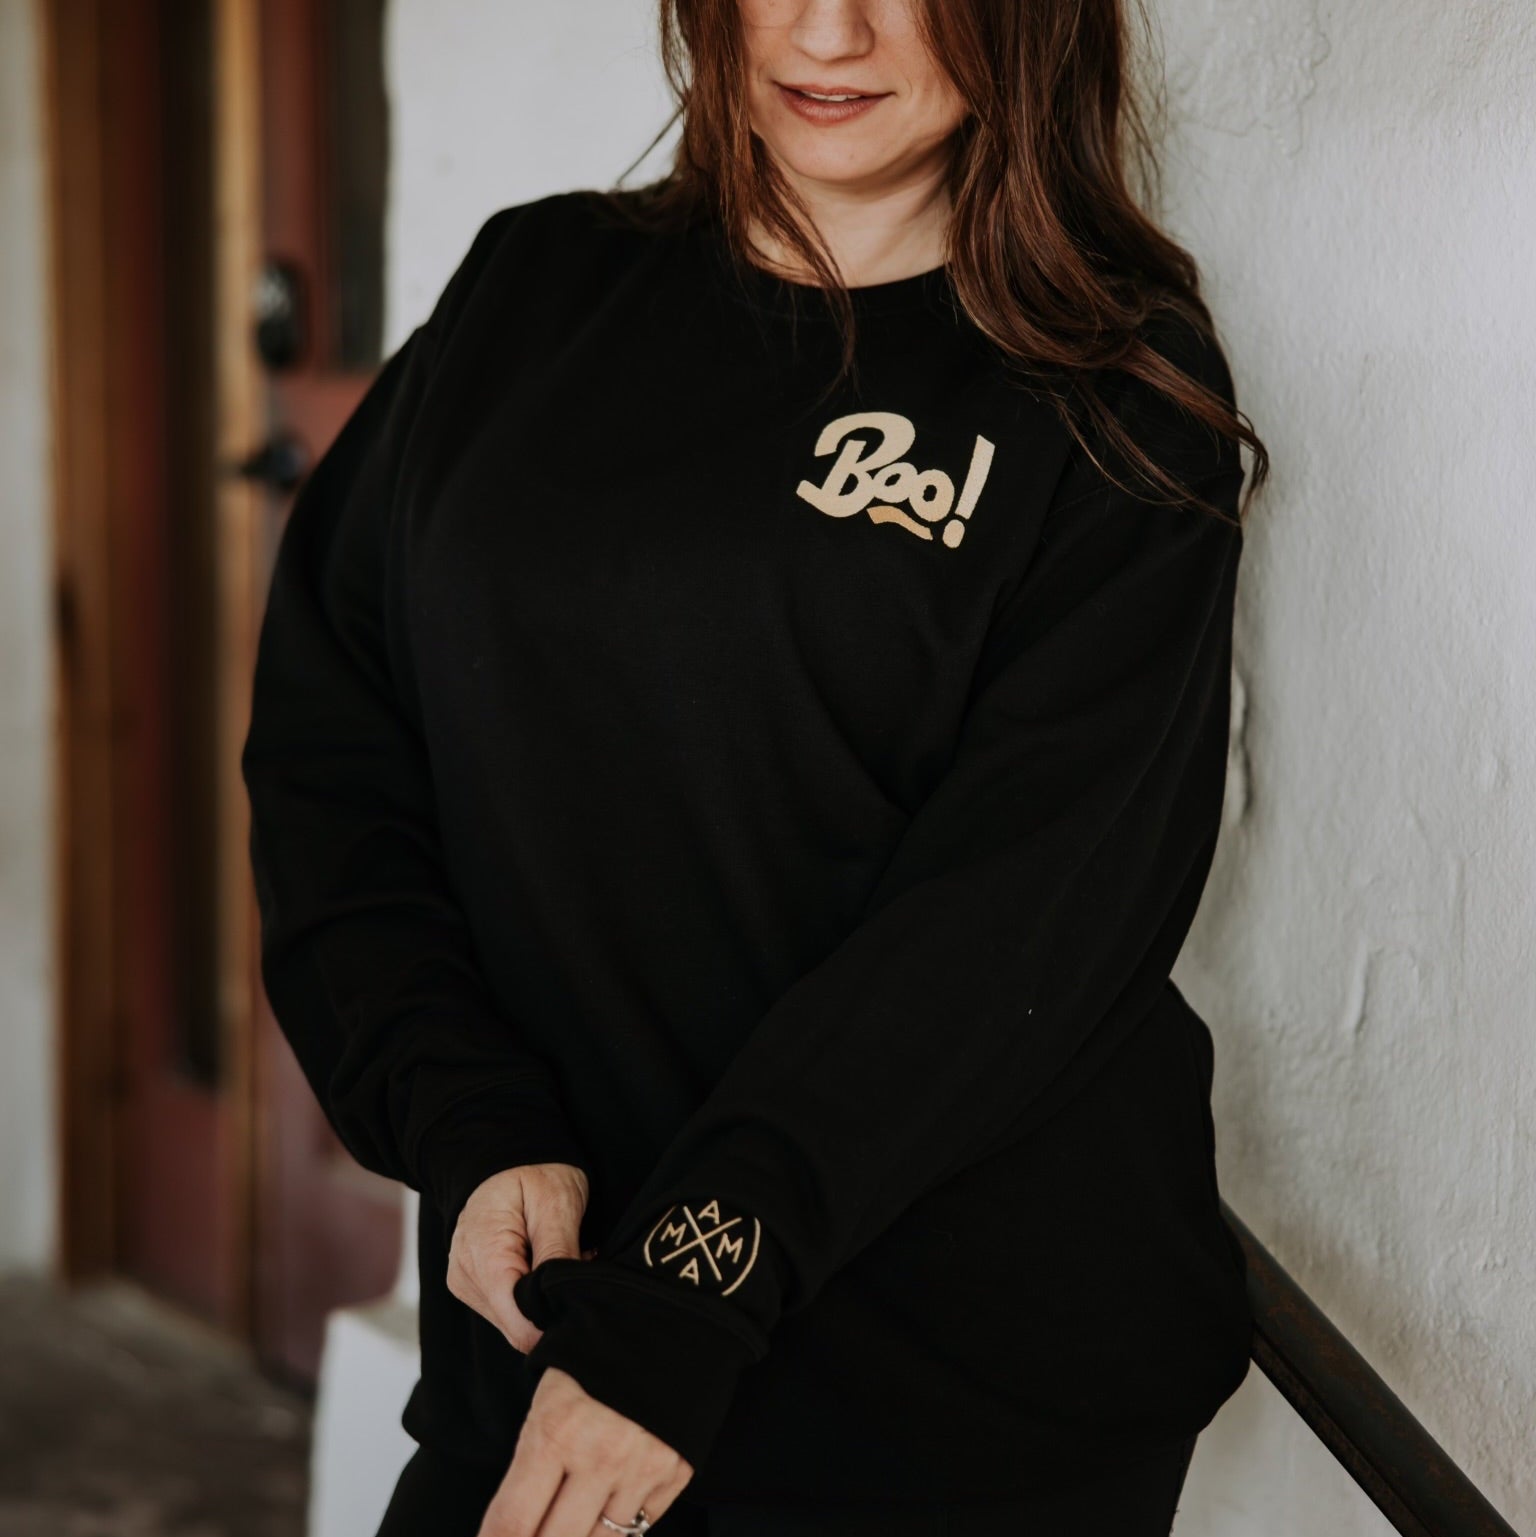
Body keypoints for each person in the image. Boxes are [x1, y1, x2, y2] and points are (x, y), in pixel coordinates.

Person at [240, 0, 1272, 1533]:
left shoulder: (1109, 389)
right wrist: (466, 1114)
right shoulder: (534, 293)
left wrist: (694, 1283)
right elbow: (337, 753)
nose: (829, 28)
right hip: (558, 1343)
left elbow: (1016, 921)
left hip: (942, 1404)